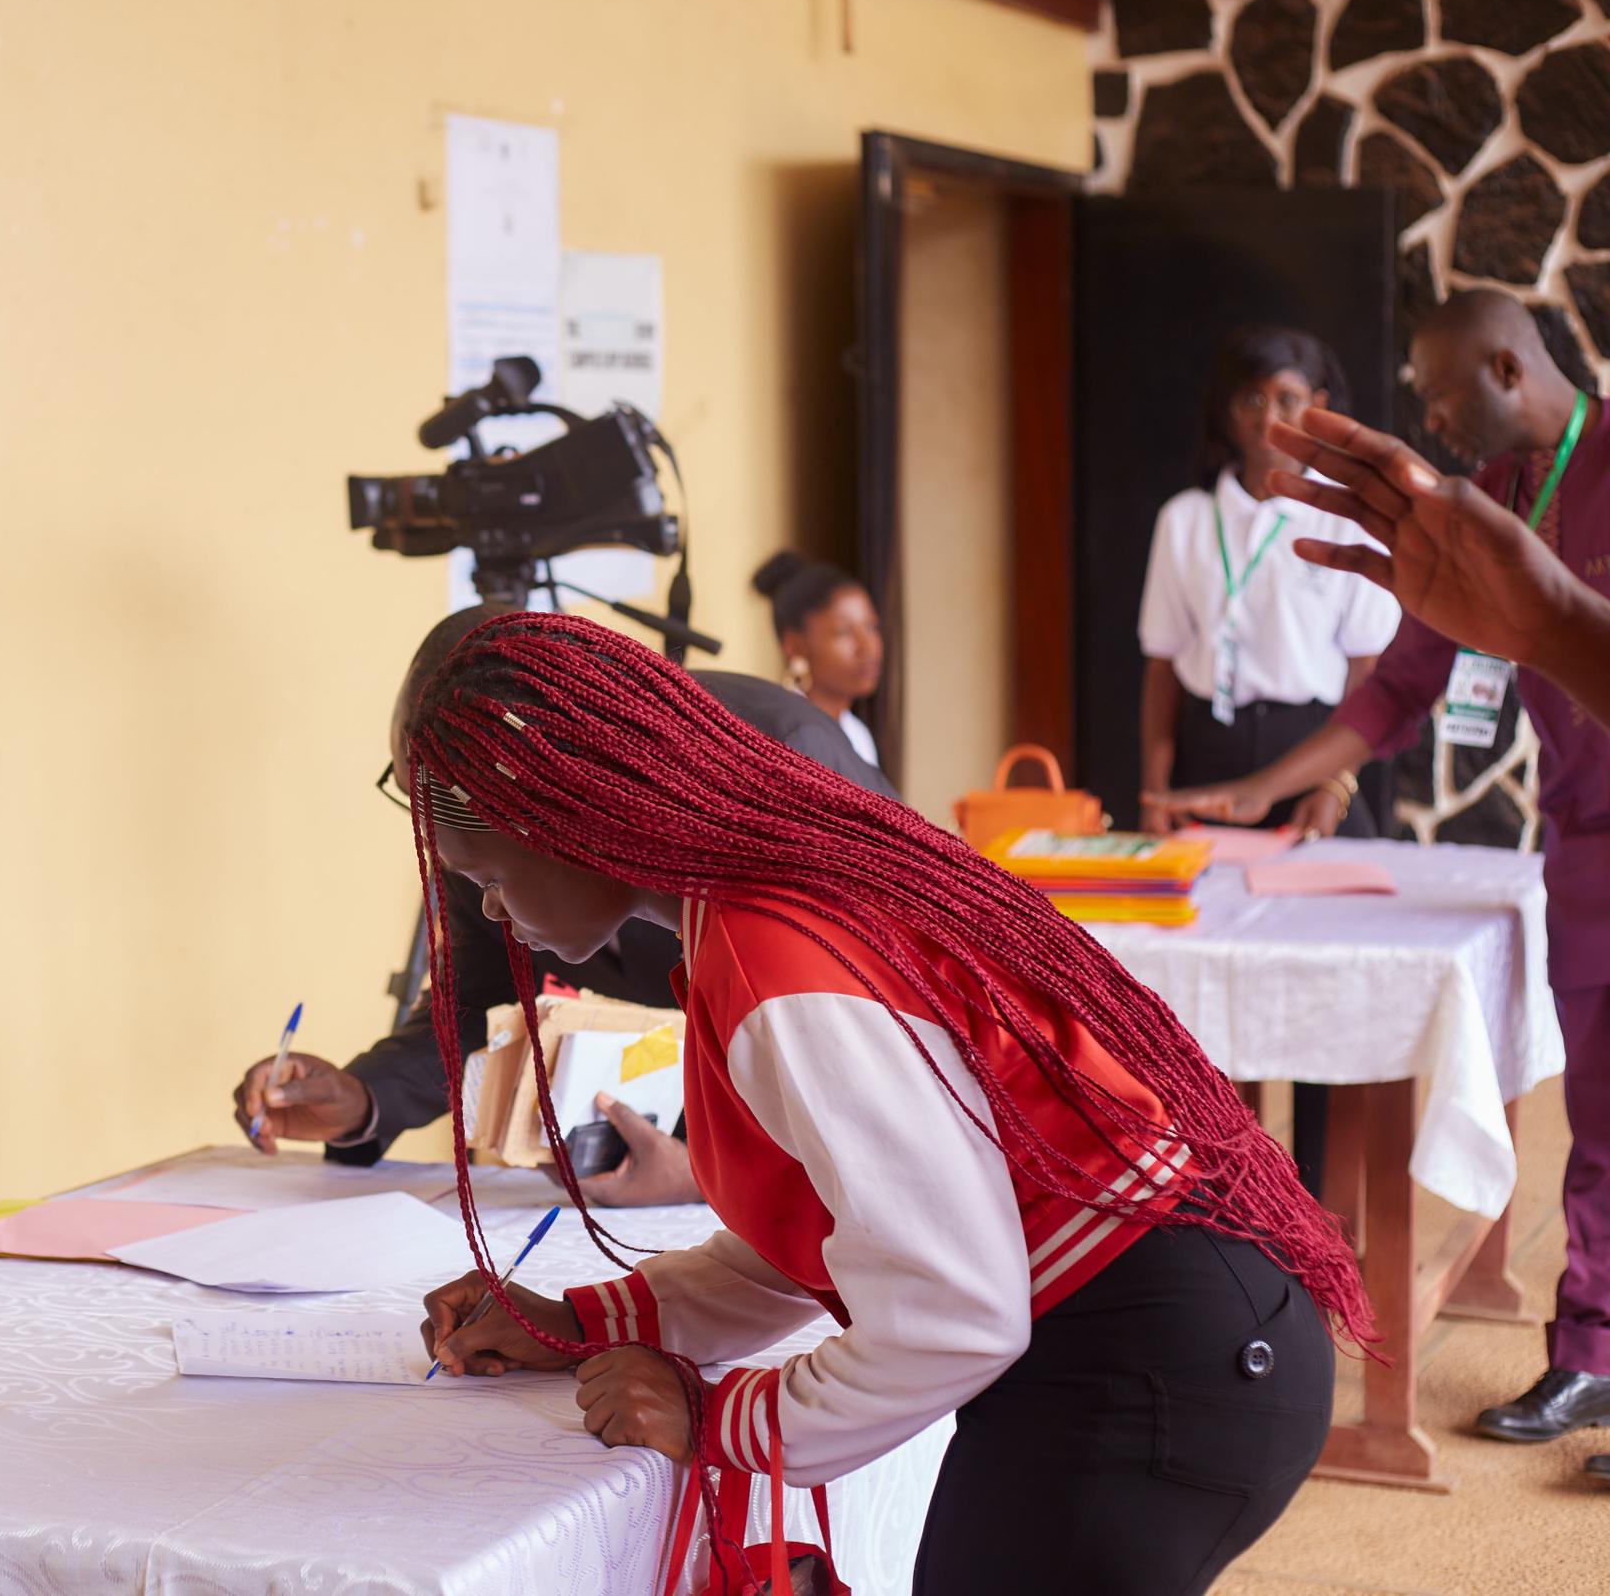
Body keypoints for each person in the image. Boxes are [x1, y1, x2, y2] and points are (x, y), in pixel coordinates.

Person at [405, 614, 1361, 1595]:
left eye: (483, 876)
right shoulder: (753, 910)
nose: (486, 908)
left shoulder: (771, 953)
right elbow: (835, 1232)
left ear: (567, 820)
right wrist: (582, 1319)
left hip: (1155, 1361)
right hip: (1180, 1332)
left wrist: (716, 1415)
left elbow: (952, 1313)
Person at [1151, 290, 1610, 1449]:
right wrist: (1267, 786)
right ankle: (1590, 1352)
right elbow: (1401, 683)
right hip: (1583, 844)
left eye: (1441, 388)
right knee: (1602, 1116)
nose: (1430, 412)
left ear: (1507, 367)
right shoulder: (1490, 497)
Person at [238, 610, 894, 1208]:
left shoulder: (783, 759)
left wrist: (703, 1175)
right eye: (418, 800)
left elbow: (894, 1092)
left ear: (553, 802)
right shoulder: (474, 814)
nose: (437, 834)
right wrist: (364, 1099)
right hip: (729, 1171)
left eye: (447, 803)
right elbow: (483, 999)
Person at [1137, 328, 1398, 842]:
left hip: (1312, 756)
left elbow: (1367, 667)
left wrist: (1335, 785)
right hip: (1206, 761)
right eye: (1252, 398)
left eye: (1287, 398)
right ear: (1227, 409)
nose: (1269, 418)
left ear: (1317, 406)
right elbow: (1163, 667)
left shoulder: (1348, 517)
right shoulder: (1184, 520)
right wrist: (1153, 791)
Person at [1275, 405, 1610, 728]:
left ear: (1506, 368)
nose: (1431, 421)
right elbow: (1397, 690)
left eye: (1439, 392)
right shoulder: (1495, 488)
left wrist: (1551, 625)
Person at [752, 550, 883, 769]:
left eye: (871, 627)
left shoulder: (858, 735)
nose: (868, 647)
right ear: (795, 645)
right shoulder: (785, 733)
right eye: (845, 632)